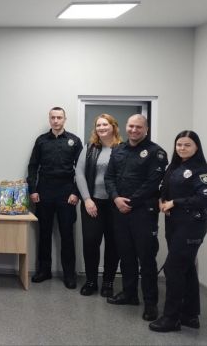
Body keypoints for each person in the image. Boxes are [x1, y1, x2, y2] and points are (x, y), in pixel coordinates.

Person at [104, 114, 167, 322]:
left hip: (143, 213)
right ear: (126, 127)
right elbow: (109, 177)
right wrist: (116, 198)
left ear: (146, 129)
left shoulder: (156, 153)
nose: (134, 130)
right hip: (120, 211)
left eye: (139, 127)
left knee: (146, 259)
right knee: (126, 255)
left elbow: (151, 184)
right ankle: (129, 294)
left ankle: (150, 303)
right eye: (131, 126)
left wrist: (129, 202)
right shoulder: (118, 149)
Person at [149, 130, 207, 332]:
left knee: (173, 269)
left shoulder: (202, 170)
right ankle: (190, 315)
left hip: (191, 225)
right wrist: (162, 200)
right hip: (174, 224)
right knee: (186, 268)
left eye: (187, 145)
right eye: (179, 144)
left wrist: (175, 202)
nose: (182, 148)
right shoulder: (174, 166)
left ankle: (171, 318)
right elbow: (164, 188)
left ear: (196, 147)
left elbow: (205, 198)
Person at [27, 107, 83, 289]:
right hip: (44, 192)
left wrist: (76, 192)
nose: (56, 120)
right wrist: (33, 190)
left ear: (65, 119)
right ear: (49, 119)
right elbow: (33, 166)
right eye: (53, 117)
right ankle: (44, 271)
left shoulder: (74, 141)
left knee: (67, 234)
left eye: (59, 117)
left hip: (67, 192)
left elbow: (81, 170)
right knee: (44, 233)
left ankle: (69, 274)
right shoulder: (41, 140)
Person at [74, 114, 121, 297]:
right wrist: (86, 199)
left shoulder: (122, 149)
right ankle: (91, 281)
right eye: (98, 125)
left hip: (115, 204)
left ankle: (108, 282)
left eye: (105, 124)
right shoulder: (89, 148)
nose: (101, 128)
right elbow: (79, 173)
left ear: (113, 126)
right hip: (92, 202)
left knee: (113, 243)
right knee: (90, 242)